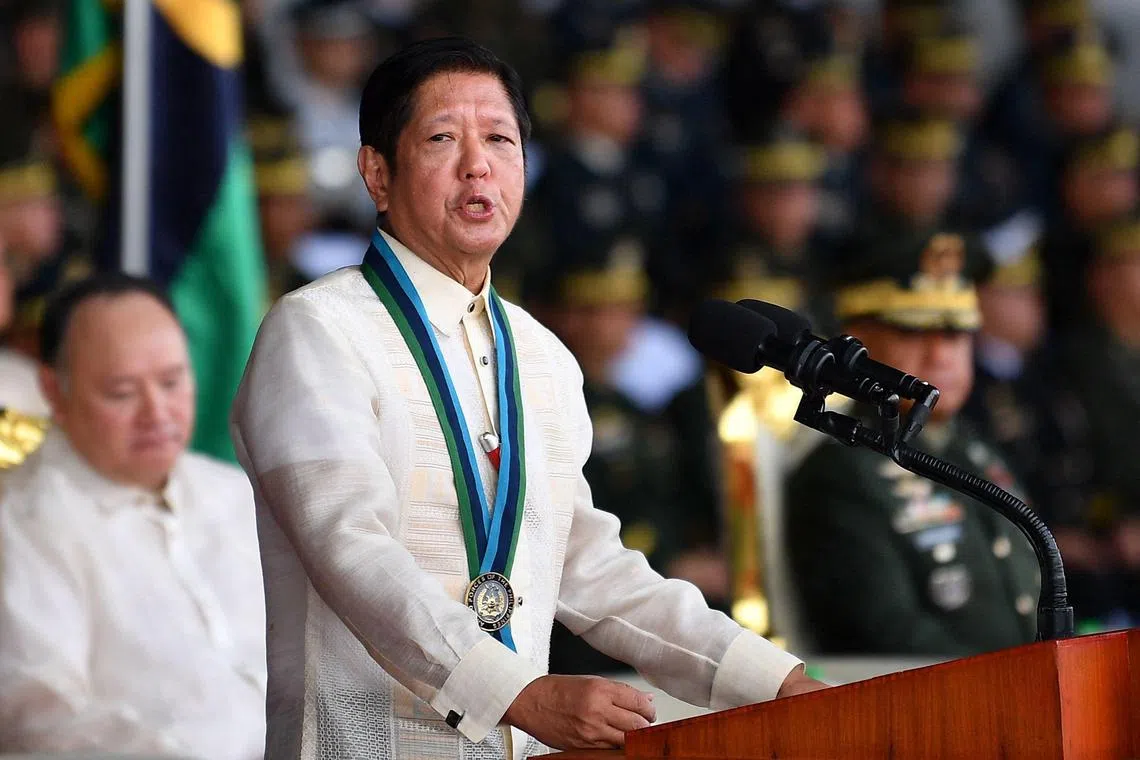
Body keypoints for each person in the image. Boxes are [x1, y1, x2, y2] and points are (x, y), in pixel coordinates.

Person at [232, 37, 821, 760]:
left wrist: (774, 680)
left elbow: (588, 567)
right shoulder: (318, 329)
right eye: (444, 138)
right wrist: (517, 693)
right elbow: (350, 550)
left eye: (500, 140)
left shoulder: (541, 354)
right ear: (377, 174)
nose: (478, 163)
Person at [0, 274, 266, 756]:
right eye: (122, 393)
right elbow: (34, 715)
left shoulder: (234, 494)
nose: (157, 412)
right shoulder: (21, 526)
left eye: (172, 381)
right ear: (53, 392)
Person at [785, 231, 1041, 655]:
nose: (942, 354)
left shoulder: (976, 447)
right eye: (914, 331)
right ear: (857, 343)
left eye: (956, 333)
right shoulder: (842, 471)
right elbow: (885, 636)